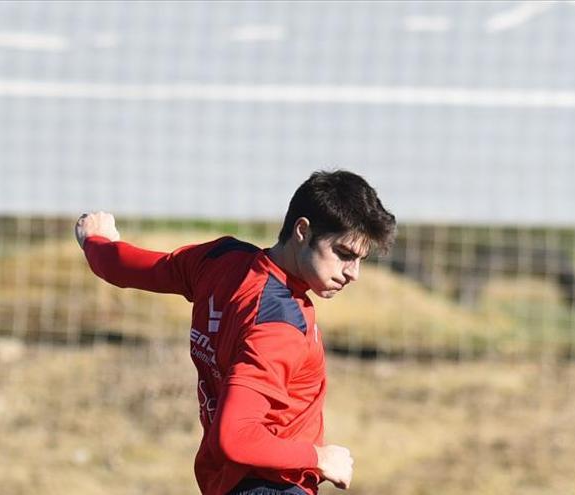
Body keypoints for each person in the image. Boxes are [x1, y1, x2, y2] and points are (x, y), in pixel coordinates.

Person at [75, 170, 396, 495]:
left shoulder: (220, 260)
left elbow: (127, 268)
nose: (353, 273)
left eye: (360, 260)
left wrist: (96, 242)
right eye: (343, 254)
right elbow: (235, 436)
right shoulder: (279, 325)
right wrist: (318, 457)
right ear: (302, 231)